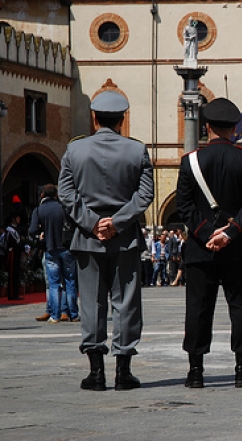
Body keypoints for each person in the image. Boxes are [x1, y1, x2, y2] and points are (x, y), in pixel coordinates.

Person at [58, 90, 154, 391]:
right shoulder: (137, 151)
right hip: (124, 239)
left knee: (92, 303)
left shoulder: (74, 151)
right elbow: (145, 195)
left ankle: (96, 373)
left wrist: (92, 223)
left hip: (87, 238)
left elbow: (66, 193)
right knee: (125, 302)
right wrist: (118, 222)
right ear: (122, 119)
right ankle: (123, 372)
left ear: (94, 118)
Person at [176, 97, 242, 389]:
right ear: (234, 128)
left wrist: (205, 234)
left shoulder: (190, 162)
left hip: (201, 250)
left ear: (207, 127)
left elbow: (184, 207)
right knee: (241, 307)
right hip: (238, 247)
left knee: (198, 308)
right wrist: (229, 233)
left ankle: (196, 371)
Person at [28, 184, 79, 323]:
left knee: (54, 283)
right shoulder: (63, 208)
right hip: (66, 248)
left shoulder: (39, 210)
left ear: (42, 195)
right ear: (56, 195)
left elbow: (32, 231)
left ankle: (55, 316)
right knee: (70, 281)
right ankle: (73, 314)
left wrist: (40, 233)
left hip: (50, 248)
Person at [5, 211, 23, 300]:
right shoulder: (9, 229)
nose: (19, 219)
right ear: (13, 219)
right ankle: (12, 294)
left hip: (17, 253)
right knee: (12, 274)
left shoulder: (16, 229)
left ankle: (16, 293)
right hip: (12, 253)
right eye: (17, 218)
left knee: (16, 273)